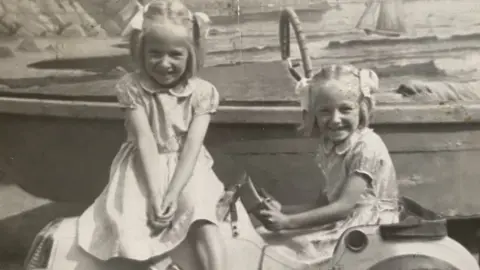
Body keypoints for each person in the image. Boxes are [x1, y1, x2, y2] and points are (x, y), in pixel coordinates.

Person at [77, 1, 226, 269]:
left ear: (191, 55)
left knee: (201, 213)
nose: (164, 63)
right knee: (132, 219)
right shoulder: (132, 87)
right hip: (144, 165)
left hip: (187, 166)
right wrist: (158, 195)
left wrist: (174, 192)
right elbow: (144, 138)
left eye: (175, 55)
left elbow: (192, 146)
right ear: (141, 52)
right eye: (155, 53)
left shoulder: (202, 92)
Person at [258, 64, 400, 267]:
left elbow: (343, 207)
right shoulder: (330, 145)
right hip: (346, 220)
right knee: (266, 236)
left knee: (286, 253)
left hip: (368, 227)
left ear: (361, 109)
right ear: (313, 113)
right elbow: (324, 202)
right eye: (325, 111)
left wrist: (287, 222)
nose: (335, 120)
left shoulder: (366, 146)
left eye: (345, 109)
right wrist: (285, 210)